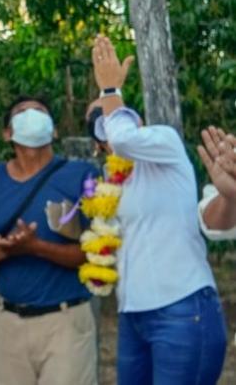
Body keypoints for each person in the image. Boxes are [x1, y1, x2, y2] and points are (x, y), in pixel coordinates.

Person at [90, 34, 226, 384]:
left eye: (115, 114)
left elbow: (124, 138)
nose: (109, 120)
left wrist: (109, 91)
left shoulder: (164, 142)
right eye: (100, 121)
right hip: (133, 315)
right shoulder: (110, 182)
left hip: (182, 309)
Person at [0, 95, 99, 385]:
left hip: (65, 322)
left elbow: (94, 254)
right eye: (22, 113)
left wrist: (37, 248)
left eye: (40, 112)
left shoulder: (83, 176)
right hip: (8, 325)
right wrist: (13, 249)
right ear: (7, 133)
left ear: (54, 130)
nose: (32, 116)